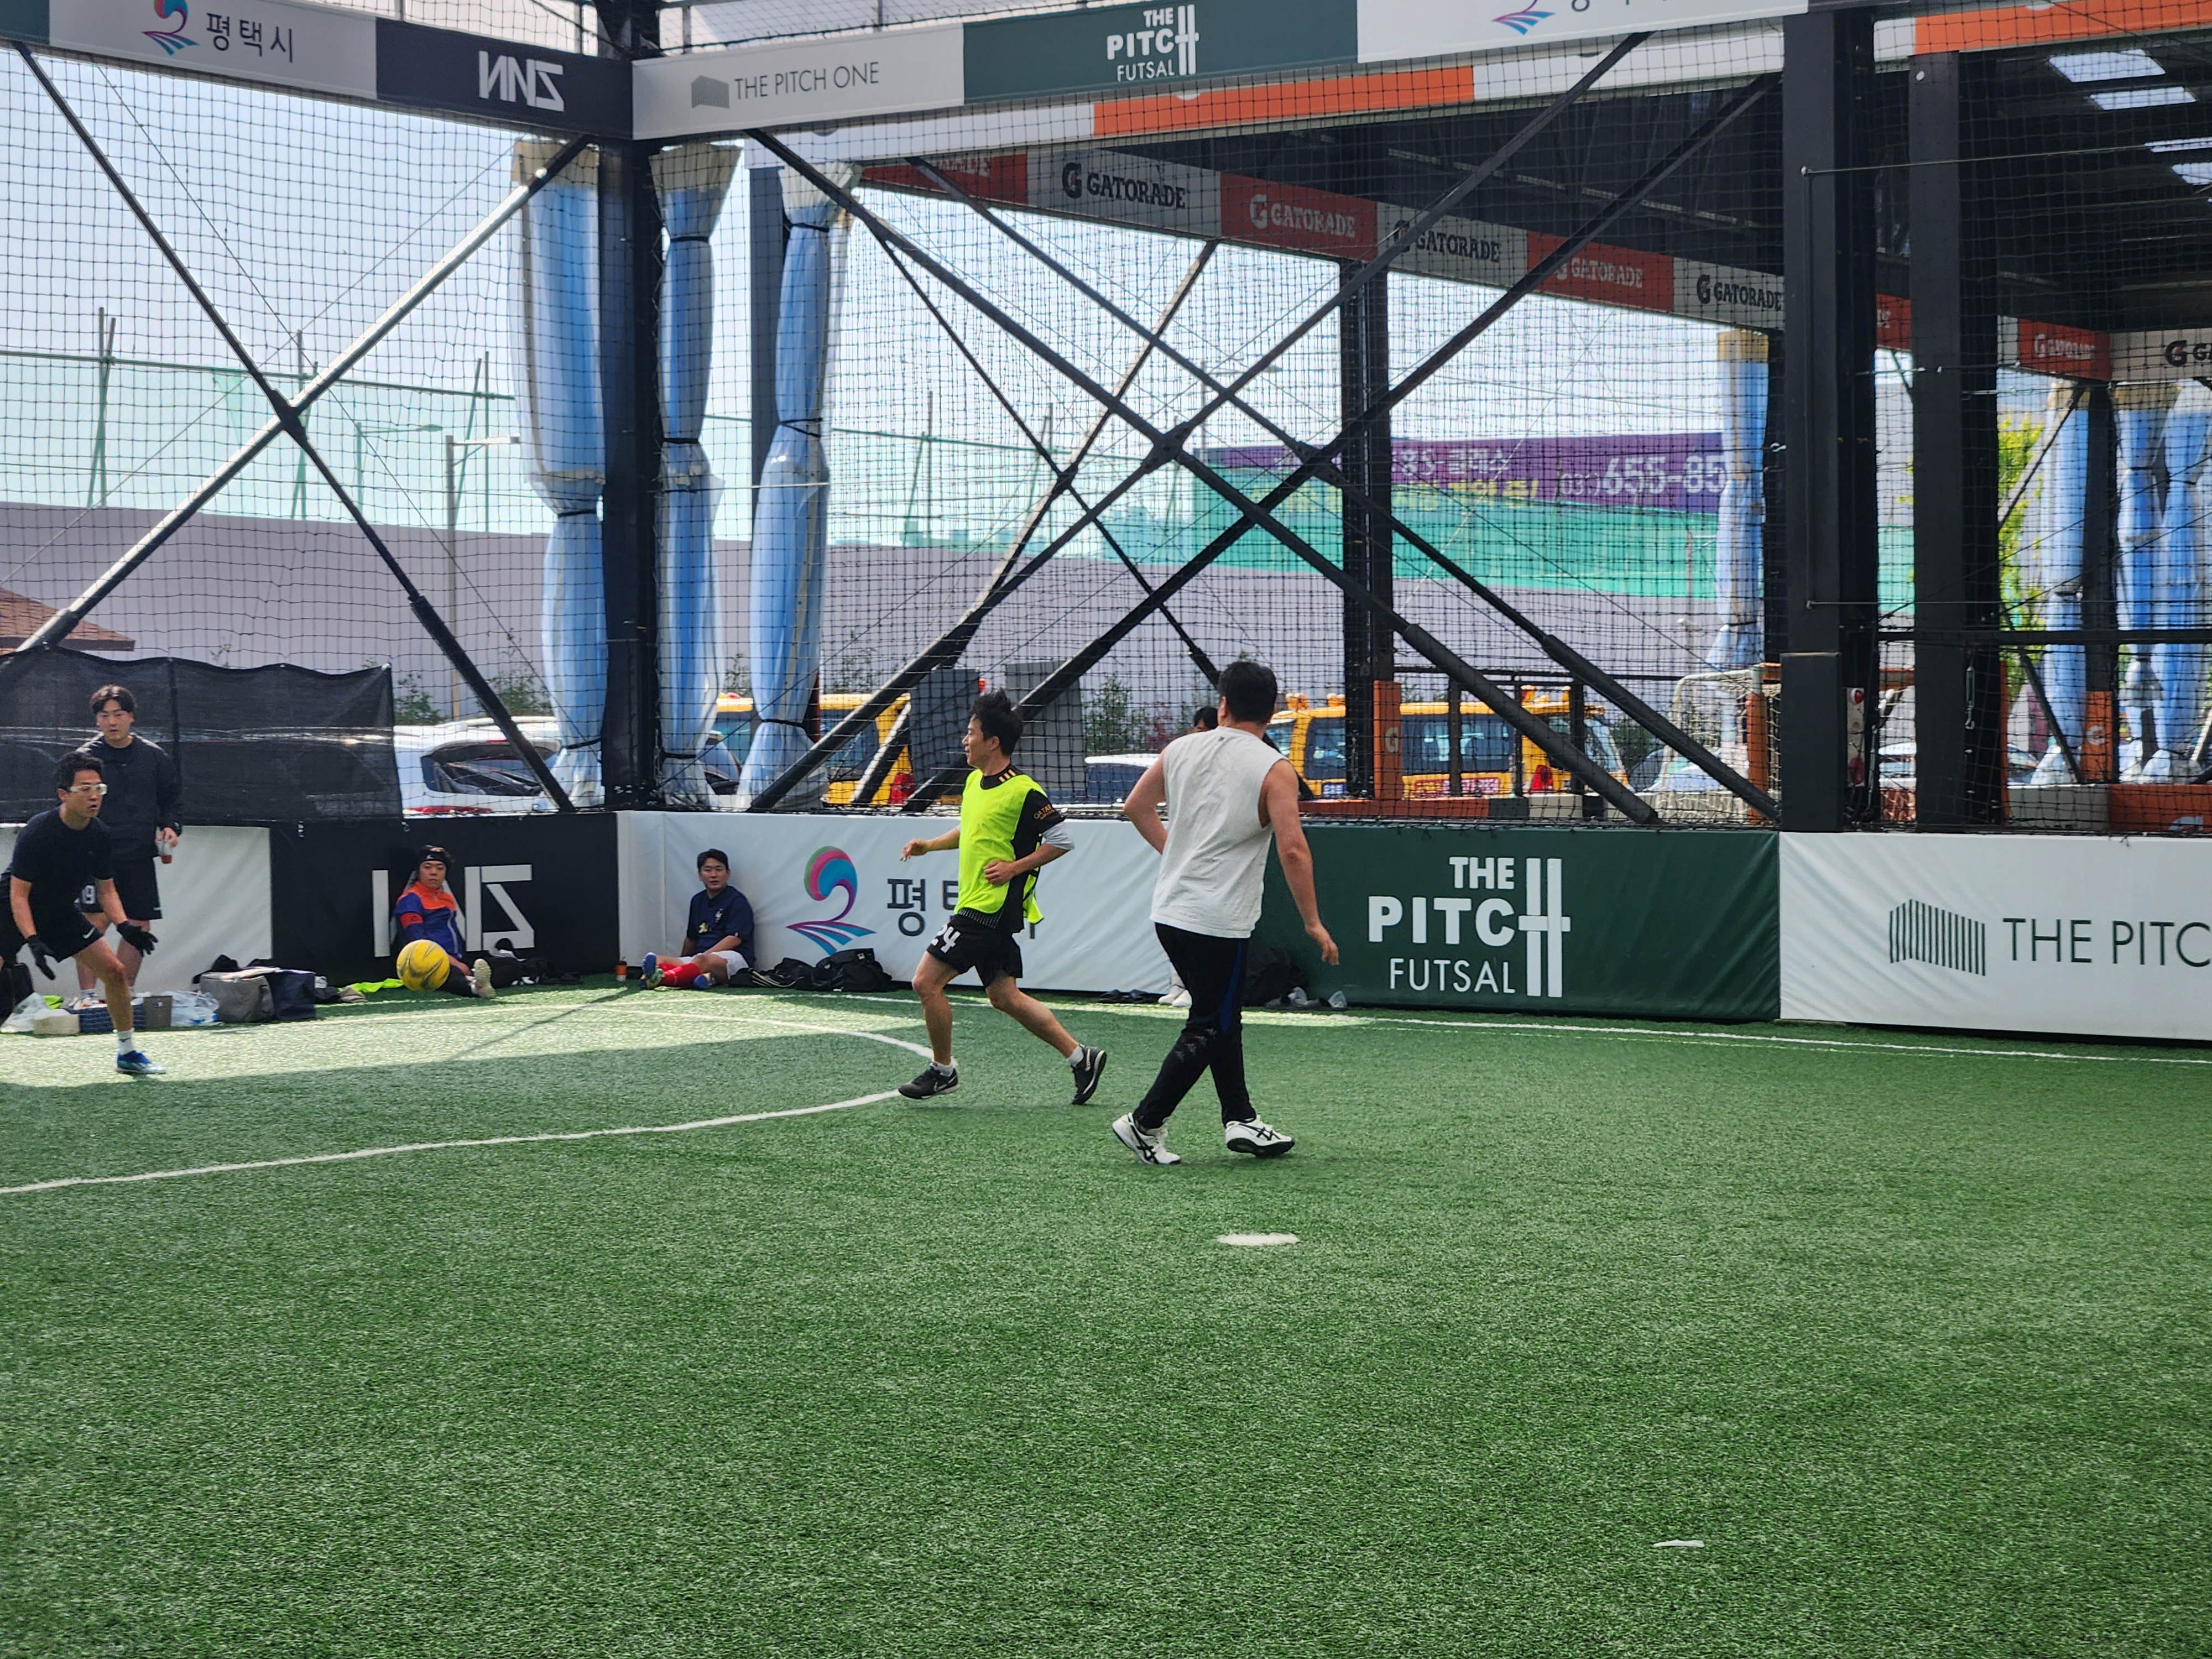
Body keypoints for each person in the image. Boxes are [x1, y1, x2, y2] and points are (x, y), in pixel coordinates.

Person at [1110, 659, 1337, 1166]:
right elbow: (1293, 849)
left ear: (1224, 705)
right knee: (1211, 1022)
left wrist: (1175, 854)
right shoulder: (1274, 768)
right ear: (1272, 712)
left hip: (1170, 911)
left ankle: (1241, 1117)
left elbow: (1136, 808)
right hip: (1218, 920)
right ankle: (1144, 1122)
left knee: (1221, 1014)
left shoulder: (1180, 748)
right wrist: (1312, 922)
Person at [896, 690, 1107, 1105]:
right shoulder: (974, 783)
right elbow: (971, 831)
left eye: (971, 733)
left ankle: (942, 1071)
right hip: (978, 904)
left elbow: (1062, 840)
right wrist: (929, 846)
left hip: (989, 908)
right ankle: (1081, 1058)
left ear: (993, 742)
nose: (965, 740)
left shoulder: (1023, 790)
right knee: (1004, 996)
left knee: (925, 982)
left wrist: (1014, 868)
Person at [3, 754, 164, 1074]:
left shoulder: (100, 834)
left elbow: (107, 891)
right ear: (64, 794)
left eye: (99, 788)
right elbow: (19, 895)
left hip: (59, 912)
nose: (94, 796)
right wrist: (32, 940)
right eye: (85, 789)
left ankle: (127, 1053)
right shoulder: (38, 831)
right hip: (9, 907)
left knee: (115, 972)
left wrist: (125, 927)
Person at [71, 684, 181, 993]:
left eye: (118, 714)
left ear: (131, 717)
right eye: (104, 715)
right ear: (97, 720)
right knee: (93, 922)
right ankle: (87, 997)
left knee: (139, 924)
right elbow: (67, 804)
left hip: (139, 854)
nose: (112, 721)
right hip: (94, 855)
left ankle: (122, 994)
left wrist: (170, 827)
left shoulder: (154, 757)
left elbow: (171, 801)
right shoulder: (83, 759)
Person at [393, 846, 495, 1000]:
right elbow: (418, 941)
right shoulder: (410, 900)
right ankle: (474, 988)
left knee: (508, 966)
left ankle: (478, 980)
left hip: (456, 958)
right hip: (424, 962)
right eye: (428, 867)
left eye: (440, 868)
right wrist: (455, 963)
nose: (434, 872)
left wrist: (460, 961)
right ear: (418, 872)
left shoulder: (446, 898)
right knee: (446, 973)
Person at [643, 848, 754, 989]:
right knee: (657, 960)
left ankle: (668, 979)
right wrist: (683, 959)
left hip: (733, 957)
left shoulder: (737, 900)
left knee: (702, 961)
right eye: (708, 870)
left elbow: (734, 939)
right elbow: (692, 938)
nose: (714, 875)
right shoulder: (697, 900)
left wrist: (700, 958)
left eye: (719, 869)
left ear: (728, 874)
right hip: (700, 958)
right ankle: (703, 977)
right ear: (700, 875)